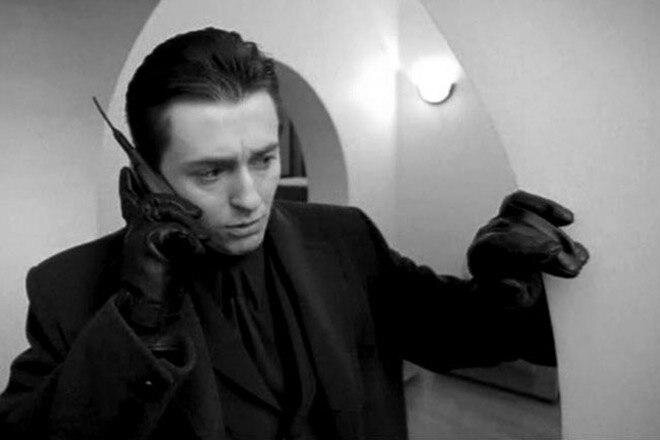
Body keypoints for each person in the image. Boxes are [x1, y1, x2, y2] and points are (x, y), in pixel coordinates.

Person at [0, 27, 588, 440]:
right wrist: (138, 322)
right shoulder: (68, 289)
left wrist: (508, 289)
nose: (250, 197)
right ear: (145, 178)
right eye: (210, 172)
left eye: (264, 159)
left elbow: (456, 335)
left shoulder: (346, 238)